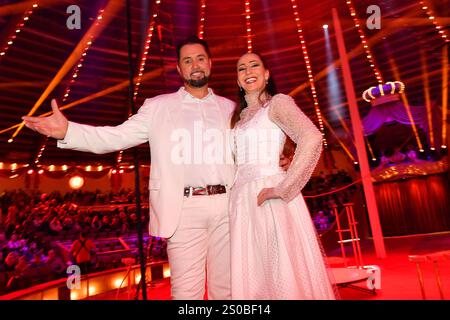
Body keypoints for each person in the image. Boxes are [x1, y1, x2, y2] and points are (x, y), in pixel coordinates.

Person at [22, 36, 289, 300]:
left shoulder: (231, 108)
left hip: (229, 209)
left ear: (209, 63)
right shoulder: (158, 107)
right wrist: (68, 131)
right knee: (186, 295)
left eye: (199, 58)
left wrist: (272, 160)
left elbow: (245, 153)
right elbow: (115, 137)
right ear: (179, 69)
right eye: (187, 60)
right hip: (183, 211)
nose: (194, 65)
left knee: (229, 292)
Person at [228, 52, 336, 299]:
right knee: (256, 273)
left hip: (270, 196)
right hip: (242, 201)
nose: (248, 71)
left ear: (267, 74)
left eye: (254, 65)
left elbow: (311, 137)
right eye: (241, 68)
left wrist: (284, 187)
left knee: (281, 271)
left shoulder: (278, 103)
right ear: (237, 80)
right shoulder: (239, 118)